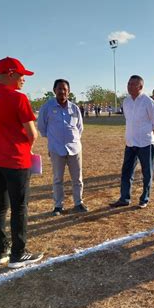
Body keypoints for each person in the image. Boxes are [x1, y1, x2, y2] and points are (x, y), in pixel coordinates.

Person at [0, 57, 43, 269]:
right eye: (21, 74)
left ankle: (0, 251)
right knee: (19, 207)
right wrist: (29, 147)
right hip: (15, 160)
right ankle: (19, 253)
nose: (23, 79)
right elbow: (32, 133)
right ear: (10, 74)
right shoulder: (18, 98)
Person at [110, 75, 154, 209]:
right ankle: (124, 198)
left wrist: (149, 135)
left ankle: (144, 198)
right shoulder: (126, 102)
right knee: (126, 171)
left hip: (145, 143)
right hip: (130, 142)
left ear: (141, 87)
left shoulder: (148, 102)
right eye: (128, 84)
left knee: (147, 171)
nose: (130, 86)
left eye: (133, 84)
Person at [37, 79, 87, 216]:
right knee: (58, 179)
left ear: (68, 91)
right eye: (59, 89)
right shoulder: (47, 107)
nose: (62, 92)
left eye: (65, 89)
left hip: (75, 149)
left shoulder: (75, 108)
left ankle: (78, 203)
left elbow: (79, 128)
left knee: (77, 178)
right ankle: (58, 206)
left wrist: (72, 139)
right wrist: (54, 139)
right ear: (54, 90)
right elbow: (42, 127)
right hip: (56, 149)